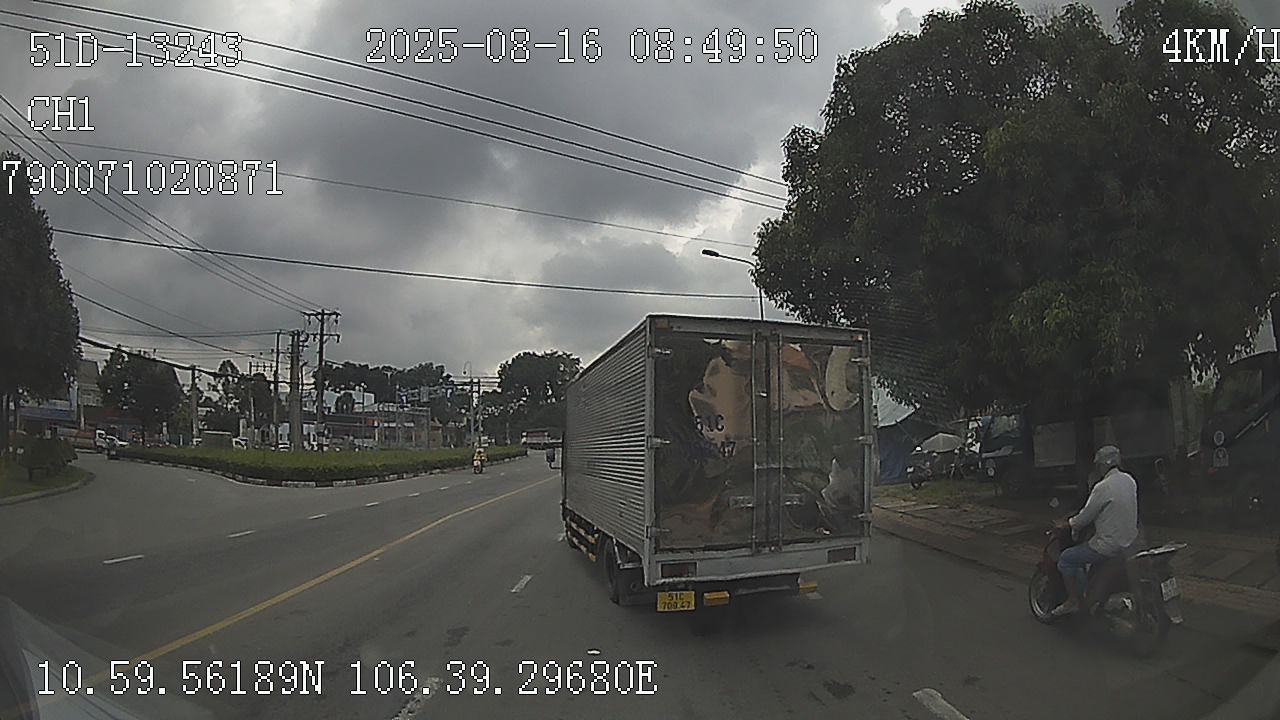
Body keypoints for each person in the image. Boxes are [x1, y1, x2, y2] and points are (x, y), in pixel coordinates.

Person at [1052, 445, 1139, 617]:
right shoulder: (1129, 480)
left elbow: (1085, 517)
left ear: (1102, 465)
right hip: (1129, 543)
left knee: (1066, 559)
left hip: (1107, 546)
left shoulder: (1102, 487)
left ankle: (1073, 601)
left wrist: (1067, 524)